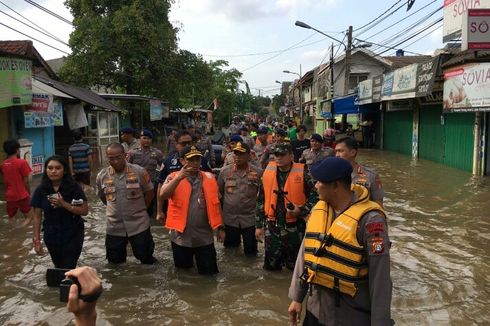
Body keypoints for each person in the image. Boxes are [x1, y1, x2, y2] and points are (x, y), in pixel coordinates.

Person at [288, 157, 392, 326]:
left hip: (350, 316)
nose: (315, 186)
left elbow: (380, 278)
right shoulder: (320, 209)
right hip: (315, 310)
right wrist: (297, 298)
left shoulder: (371, 221)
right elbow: (305, 254)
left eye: (319, 182)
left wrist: (380, 322)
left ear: (335, 186)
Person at [160, 146, 225, 275]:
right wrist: (179, 178)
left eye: (198, 159)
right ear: (182, 161)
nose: (196, 163)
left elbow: (217, 205)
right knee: (183, 275)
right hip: (180, 237)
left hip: (204, 237)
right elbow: (163, 195)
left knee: (210, 275)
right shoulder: (172, 177)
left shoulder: (210, 178)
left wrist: (221, 228)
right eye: (191, 159)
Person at [255, 143, 317, 271]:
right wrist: (259, 225)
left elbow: (315, 196)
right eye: (276, 155)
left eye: (282, 155)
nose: (278, 158)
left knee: (295, 267)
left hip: (295, 227)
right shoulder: (268, 172)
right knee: (271, 267)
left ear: (291, 156)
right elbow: (260, 199)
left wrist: (302, 210)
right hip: (272, 226)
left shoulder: (304, 173)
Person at [96, 143, 156, 264]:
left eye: (118, 157)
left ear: (125, 155)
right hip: (114, 227)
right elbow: (103, 197)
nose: (115, 161)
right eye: (111, 158)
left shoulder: (139, 172)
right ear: (107, 157)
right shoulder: (102, 176)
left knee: (146, 259)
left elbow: (150, 193)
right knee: (115, 263)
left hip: (138, 224)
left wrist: (142, 210)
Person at [31, 155, 88, 268]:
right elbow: (37, 217)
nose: (53, 171)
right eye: (50, 168)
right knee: (58, 266)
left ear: (65, 171)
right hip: (51, 235)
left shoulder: (74, 187)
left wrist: (64, 204)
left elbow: (84, 210)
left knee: (69, 266)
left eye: (58, 168)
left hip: (73, 233)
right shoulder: (41, 190)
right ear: (46, 170)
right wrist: (37, 241)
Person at [155, 130, 212, 224]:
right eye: (183, 143)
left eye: (190, 143)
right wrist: (159, 211)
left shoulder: (202, 160)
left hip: (198, 211)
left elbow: (210, 183)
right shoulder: (169, 162)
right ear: (176, 144)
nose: (187, 146)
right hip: (176, 209)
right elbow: (161, 187)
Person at [218, 142, 262, 256]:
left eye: (241, 154)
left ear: (248, 155)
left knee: (251, 253)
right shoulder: (225, 172)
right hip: (230, 219)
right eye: (235, 154)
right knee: (230, 253)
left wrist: (261, 224)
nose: (237, 157)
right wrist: (220, 226)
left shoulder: (257, 173)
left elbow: (262, 197)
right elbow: (219, 195)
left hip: (250, 219)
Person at [335, 136, 385, 206]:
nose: (337, 155)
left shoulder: (371, 176)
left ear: (352, 152)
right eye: (336, 151)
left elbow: (378, 205)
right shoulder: (332, 174)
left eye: (340, 151)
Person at [127, 129, 164, 217]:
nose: (146, 140)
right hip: (135, 185)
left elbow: (163, 167)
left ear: (151, 140)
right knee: (134, 207)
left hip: (150, 185)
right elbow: (127, 168)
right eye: (144, 138)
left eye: (148, 138)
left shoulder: (157, 153)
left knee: (149, 209)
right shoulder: (132, 153)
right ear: (140, 139)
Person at [0, 139, 34, 225]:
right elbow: (26, 181)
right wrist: (29, 193)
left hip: (9, 196)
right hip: (22, 195)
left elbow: (5, 182)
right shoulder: (22, 162)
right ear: (17, 150)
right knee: (30, 217)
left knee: (12, 218)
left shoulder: (3, 165)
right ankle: (20, 229)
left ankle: (14, 233)